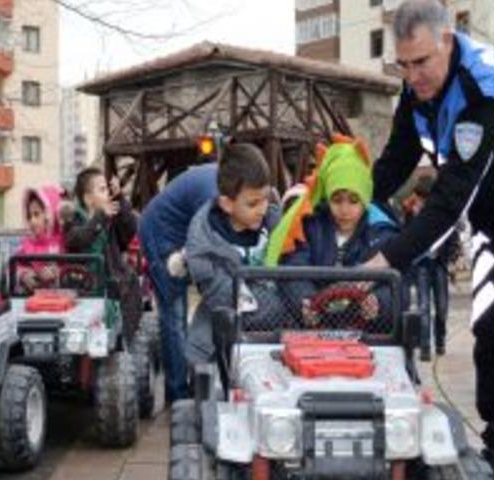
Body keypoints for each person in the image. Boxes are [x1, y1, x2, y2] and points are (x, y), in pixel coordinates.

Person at [362, 2, 494, 478]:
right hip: (491, 213)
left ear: (447, 42)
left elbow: (448, 201)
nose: (412, 75)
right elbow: (395, 161)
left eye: (421, 63)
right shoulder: (417, 87)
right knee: (488, 327)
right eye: (404, 63)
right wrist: (342, 203)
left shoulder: (485, 88)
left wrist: (386, 260)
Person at [266, 135, 398, 329]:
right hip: (314, 330)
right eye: (337, 200)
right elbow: (294, 269)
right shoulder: (309, 227)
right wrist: (305, 301)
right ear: (327, 199)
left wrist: (378, 303)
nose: (344, 209)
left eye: (353, 201)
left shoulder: (381, 234)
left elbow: (395, 286)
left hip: (366, 334)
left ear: (365, 201)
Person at [185, 143, 280, 364]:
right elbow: (228, 299)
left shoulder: (279, 227)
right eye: (253, 203)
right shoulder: (203, 246)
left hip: (274, 338)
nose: (263, 208)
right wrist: (280, 306)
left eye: (266, 199)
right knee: (207, 378)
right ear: (227, 204)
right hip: (221, 340)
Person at [138, 162, 217, 403]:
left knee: (186, 315)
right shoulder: (213, 194)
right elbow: (206, 239)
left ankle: (191, 379)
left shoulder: (225, 184)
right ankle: (178, 394)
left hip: (178, 233)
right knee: (174, 315)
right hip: (160, 233)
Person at [63, 167, 140, 341]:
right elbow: (78, 239)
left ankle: (126, 342)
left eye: (107, 188)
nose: (107, 193)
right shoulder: (73, 220)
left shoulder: (110, 221)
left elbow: (130, 230)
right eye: (102, 189)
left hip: (112, 283)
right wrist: (99, 217)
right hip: (84, 287)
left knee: (130, 281)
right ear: (88, 198)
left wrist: (119, 196)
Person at [402, 175, 458, 357]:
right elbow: (406, 237)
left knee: (441, 308)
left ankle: (440, 340)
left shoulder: (442, 210)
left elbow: (452, 236)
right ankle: (425, 346)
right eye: (421, 196)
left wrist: (451, 259)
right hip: (421, 266)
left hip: (439, 264)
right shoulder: (412, 212)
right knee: (423, 307)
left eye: (426, 197)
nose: (423, 200)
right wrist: (410, 215)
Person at [15, 185, 66, 291]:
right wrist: (23, 275)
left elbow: (73, 268)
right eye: (29, 216)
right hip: (33, 300)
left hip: (60, 300)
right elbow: (16, 265)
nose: (32, 221)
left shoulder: (64, 241)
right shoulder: (26, 244)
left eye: (36, 214)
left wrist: (58, 272)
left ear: (50, 214)